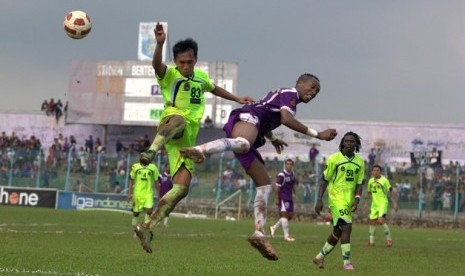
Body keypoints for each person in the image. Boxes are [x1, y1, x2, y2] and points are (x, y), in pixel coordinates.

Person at [180, 73, 337, 261]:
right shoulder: (290, 94)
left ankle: (259, 233)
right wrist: (317, 134)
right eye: (311, 87)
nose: (313, 92)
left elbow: (267, 116)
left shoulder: (287, 98)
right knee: (243, 143)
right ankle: (200, 150)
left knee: (264, 184)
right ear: (299, 83)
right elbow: (285, 119)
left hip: (254, 125)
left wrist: (272, 138)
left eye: (317, 91)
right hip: (248, 118)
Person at [134, 22, 254, 254]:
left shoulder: (200, 77)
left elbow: (215, 88)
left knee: (181, 188)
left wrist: (238, 99)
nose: (186, 65)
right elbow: (156, 65)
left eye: (189, 61)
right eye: (182, 62)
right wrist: (159, 44)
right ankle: (151, 151)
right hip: (171, 124)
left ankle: (148, 226)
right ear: (176, 62)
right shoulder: (169, 75)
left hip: (187, 141)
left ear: (195, 60)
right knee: (179, 119)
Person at [313, 131, 365, 271]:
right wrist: (319, 200)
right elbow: (325, 180)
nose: (349, 144)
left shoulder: (360, 163)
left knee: (338, 231)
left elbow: (360, 183)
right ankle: (347, 262)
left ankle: (319, 257)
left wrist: (357, 199)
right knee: (347, 226)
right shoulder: (334, 159)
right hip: (336, 199)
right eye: (346, 141)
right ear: (342, 143)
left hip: (348, 201)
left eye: (352, 142)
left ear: (356, 144)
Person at [363, 164, 398, 247]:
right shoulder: (370, 181)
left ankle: (389, 240)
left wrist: (395, 203)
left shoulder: (384, 180)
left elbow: (391, 191)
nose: (375, 172)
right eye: (374, 170)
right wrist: (366, 203)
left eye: (377, 170)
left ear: (380, 172)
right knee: (372, 222)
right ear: (371, 172)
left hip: (383, 203)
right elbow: (369, 192)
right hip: (374, 204)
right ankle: (371, 242)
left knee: (381, 221)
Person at [128, 154, 160, 240]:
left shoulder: (153, 168)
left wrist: (158, 194)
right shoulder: (135, 167)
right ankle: (135, 231)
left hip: (148, 194)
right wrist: (129, 193)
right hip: (137, 194)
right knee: (136, 214)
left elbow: (156, 182)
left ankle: (144, 230)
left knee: (149, 211)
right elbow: (131, 180)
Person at [269, 158, 299, 242]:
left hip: (289, 197)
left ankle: (273, 227)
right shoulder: (281, 175)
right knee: (285, 215)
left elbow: (293, 186)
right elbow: (277, 187)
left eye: (290, 164)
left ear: (292, 165)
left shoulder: (293, 174)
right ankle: (286, 236)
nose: (289, 166)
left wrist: (296, 195)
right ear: (285, 165)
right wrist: (277, 198)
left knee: (290, 216)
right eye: (287, 164)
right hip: (283, 197)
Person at [156, 163, 173, 227]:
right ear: (165, 168)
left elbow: (172, 187)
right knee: (160, 209)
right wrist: (158, 195)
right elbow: (158, 186)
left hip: (169, 196)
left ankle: (165, 223)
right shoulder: (161, 176)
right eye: (167, 167)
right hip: (161, 195)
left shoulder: (171, 177)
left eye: (169, 167)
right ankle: (158, 222)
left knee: (167, 209)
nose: (168, 168)